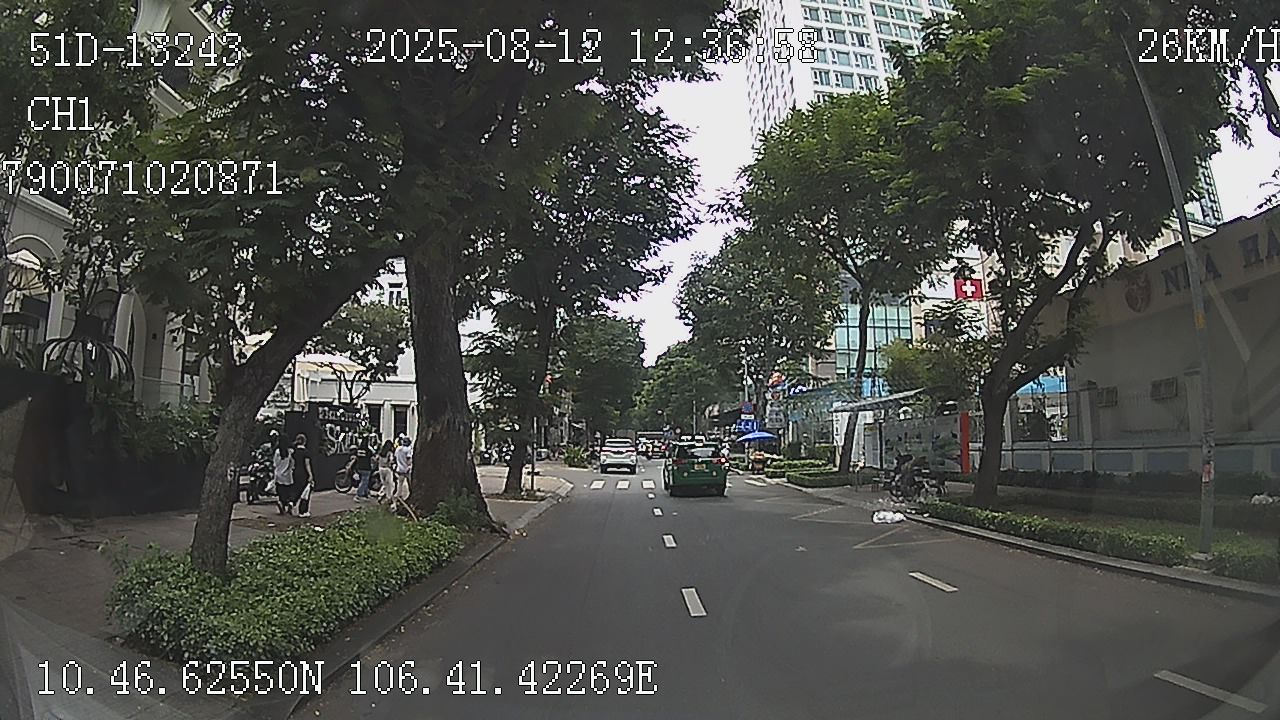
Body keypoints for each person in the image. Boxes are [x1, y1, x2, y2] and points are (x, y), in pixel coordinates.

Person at [292, 433, 315, 518]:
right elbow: (307, 464)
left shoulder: (294, 452)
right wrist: (310, 475)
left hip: (295, 472)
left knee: (297, 488)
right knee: (305, 492)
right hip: (303, 473)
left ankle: (292, 501)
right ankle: (303, 511)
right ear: (304, 442)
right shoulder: (306, 452)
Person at [272, 433, 294, 515]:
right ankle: (289, 503)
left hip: (278, 475)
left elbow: (275, 464)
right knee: (288, 491)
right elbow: (292, 463)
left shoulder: (277, 452)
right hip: (288, 475)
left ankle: (281, 503)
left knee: (280, 491)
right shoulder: (290, 452)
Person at [391, 434, 413, 513]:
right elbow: (408, 459)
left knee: (399, 485)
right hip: (406, 469)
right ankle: (411, 494)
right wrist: (409, 466)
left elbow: (395, 458)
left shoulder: (398, 449)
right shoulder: (408, 449)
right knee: (410, 484)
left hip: (399, 469)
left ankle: (396, 497)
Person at [376, 439, 396, 503]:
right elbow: (391, 461)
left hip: (380, 468)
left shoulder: (381, 452)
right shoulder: (389, 453)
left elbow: (377, 459)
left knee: (384, 483)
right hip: (387, 469)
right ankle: (388, 497)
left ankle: (380, 494)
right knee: (390, 484)